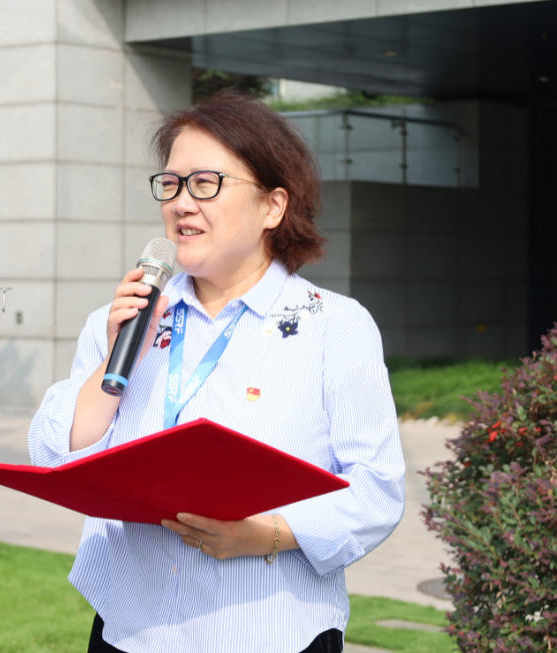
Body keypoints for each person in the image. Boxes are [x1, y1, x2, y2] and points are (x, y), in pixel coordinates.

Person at [28, 90, 406, 653]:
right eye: (171, 184)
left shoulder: (333, 326)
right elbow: (52, 455)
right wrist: (113, 357)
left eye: (206, 183)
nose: (182, 203)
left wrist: (265, 535)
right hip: (131, 631)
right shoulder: (125, 320)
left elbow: (376, 491)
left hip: (272, 633)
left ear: (273, 206)